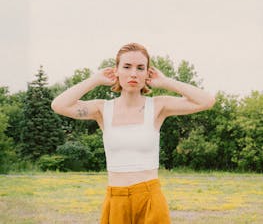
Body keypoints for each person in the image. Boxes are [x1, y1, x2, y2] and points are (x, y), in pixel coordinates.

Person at [51, 42, 215, 223]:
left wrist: (166, 82)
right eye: (127, 67)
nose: (133, 73)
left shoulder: (158, 106)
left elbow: (206, 101)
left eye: (140, 68)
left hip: (150, 199)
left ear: (147, 73)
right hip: (116, 200)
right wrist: (95, 79)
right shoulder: (101, 109)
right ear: (116, 71)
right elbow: (59, 105)